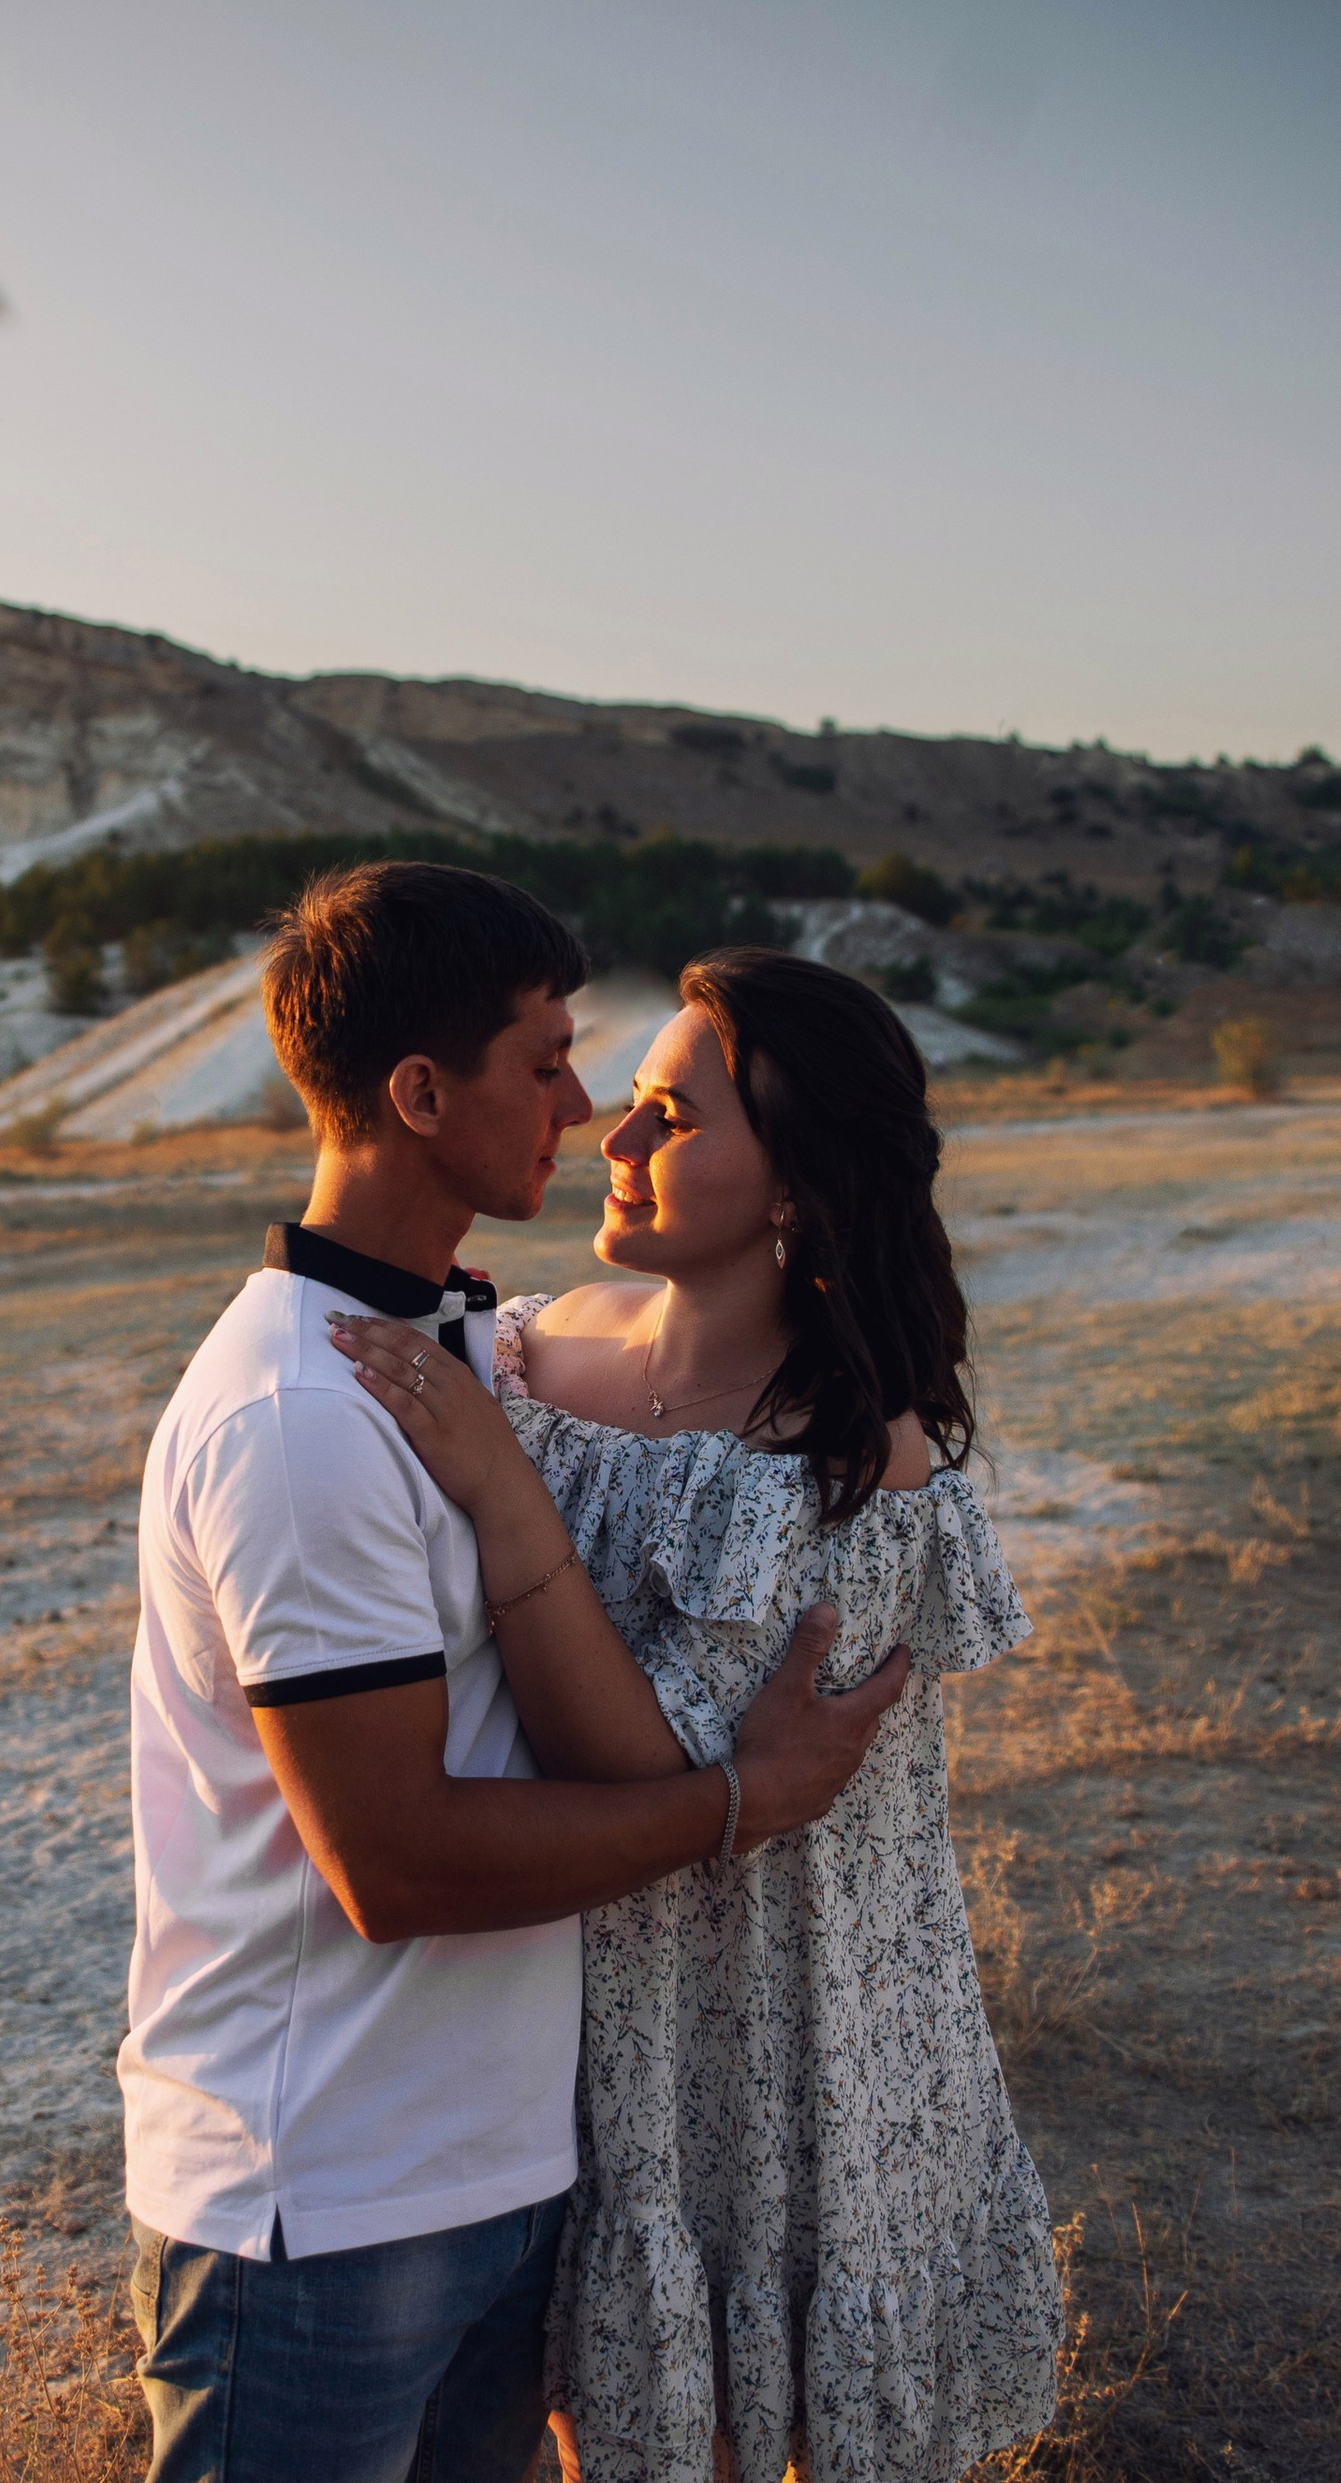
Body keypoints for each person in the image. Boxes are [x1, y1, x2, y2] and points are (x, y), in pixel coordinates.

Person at [122, 868, 914, 2483]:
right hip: (319, 2205)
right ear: (421, 1095)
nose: (582, 1106)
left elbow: (716, 1377)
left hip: (503, 2181)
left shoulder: (467, 1349)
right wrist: (740, 1804)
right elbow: (393, 1861)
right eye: (548, 1062)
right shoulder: (306, 1419)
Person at [328, 946, 1062, 2483]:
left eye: (673, 1114)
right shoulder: (526, 1350)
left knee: (752, 2430)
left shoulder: (857, 1454)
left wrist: (502, 1490)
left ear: (793, 1186)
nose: (618, 1138)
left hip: (787, 2025)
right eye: (631, 1104)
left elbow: (649, 1765)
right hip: (568, 2006)